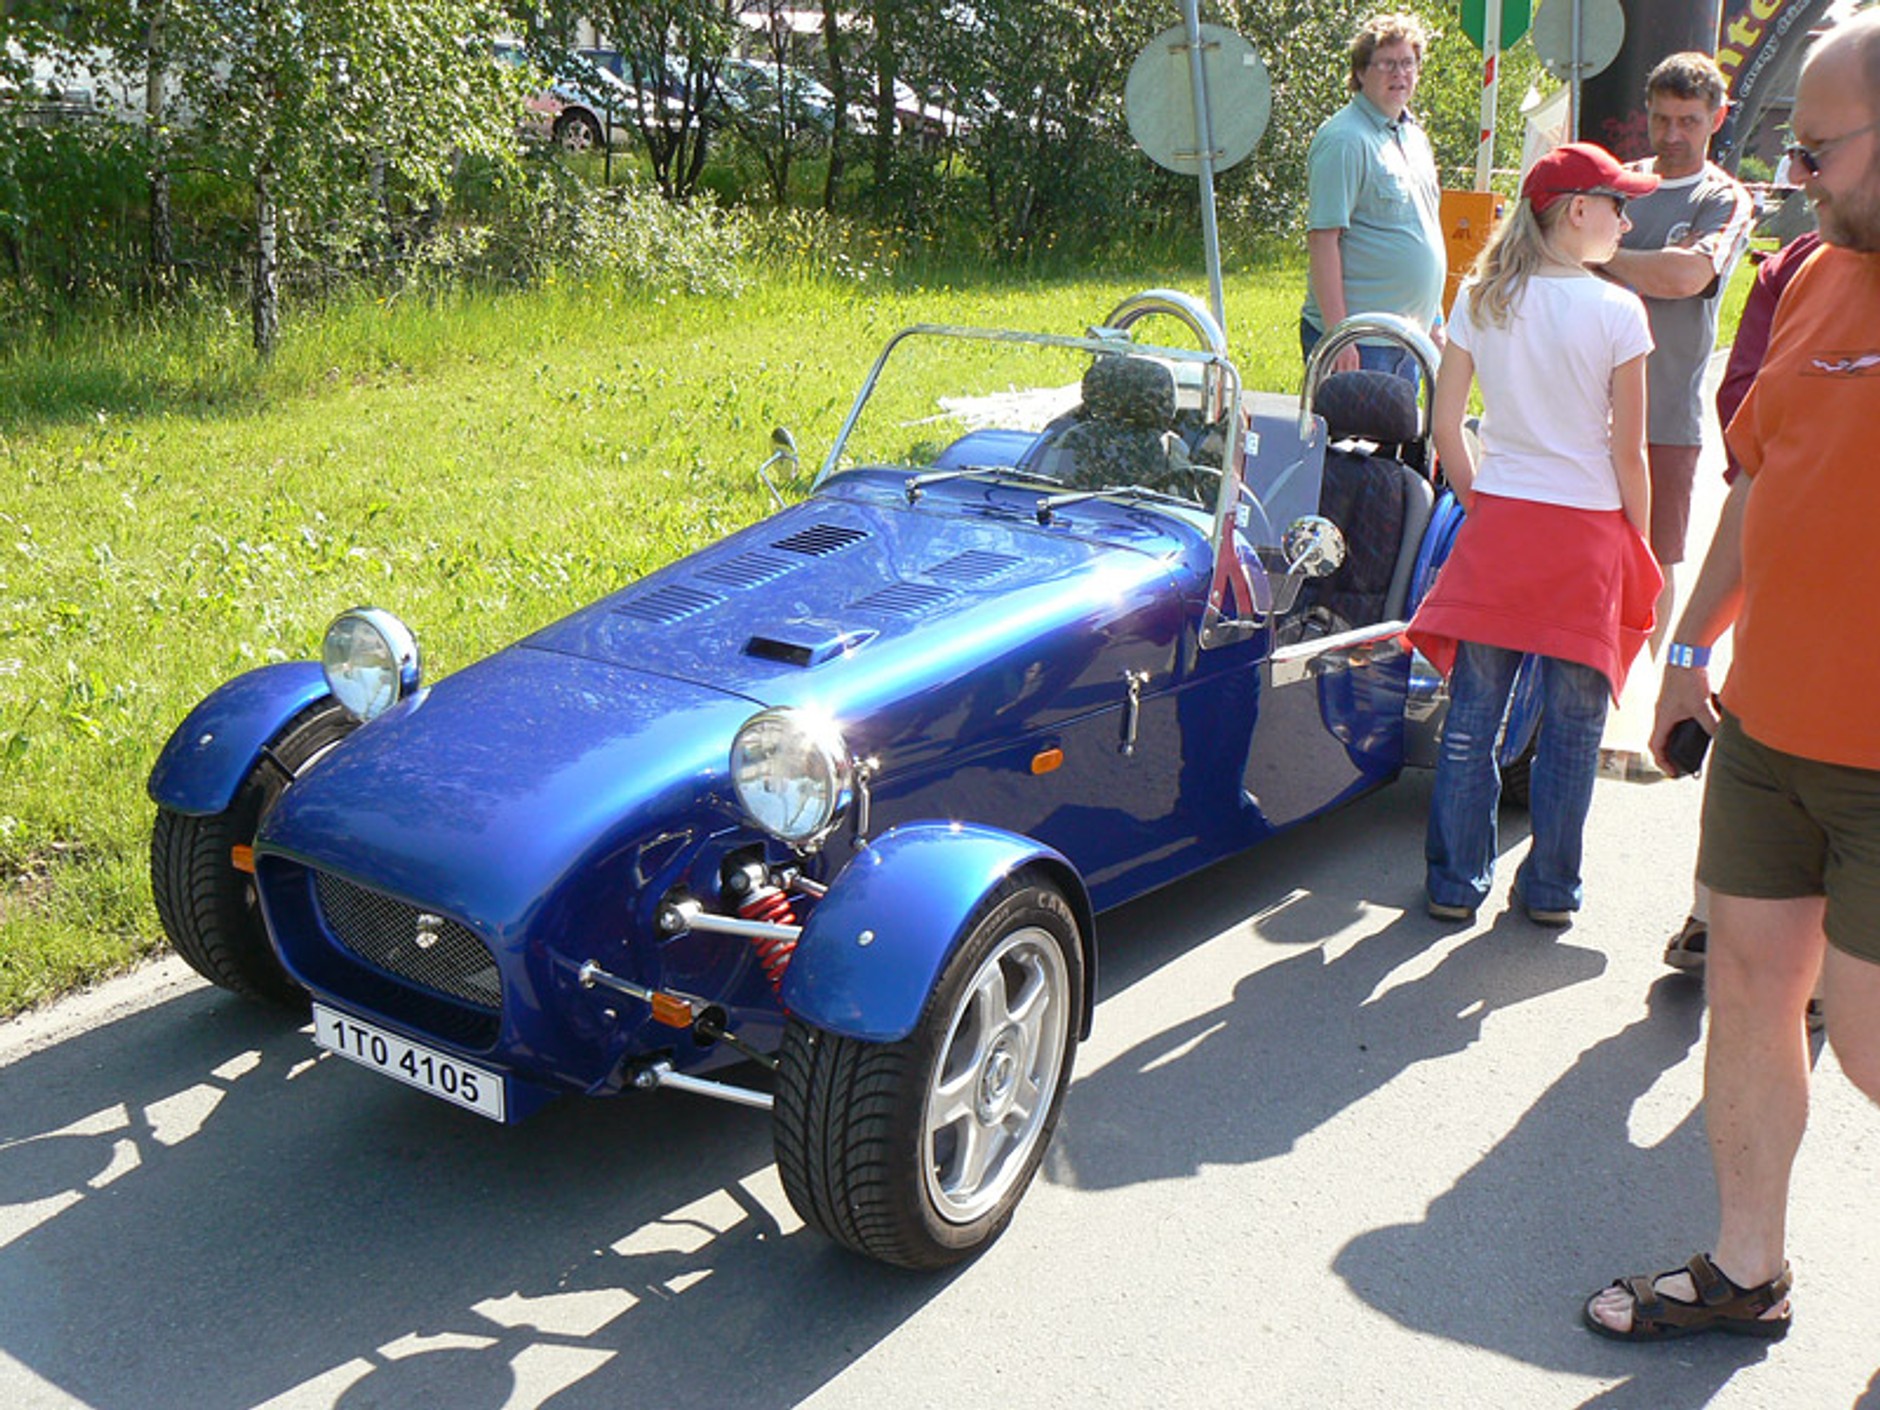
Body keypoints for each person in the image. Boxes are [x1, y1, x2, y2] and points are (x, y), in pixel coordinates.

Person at [1584, 12, 1880, 1342]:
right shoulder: (1815, 275)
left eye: (1819, 149)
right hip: (1770, 733)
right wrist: (1691, 651)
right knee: (1748, 992)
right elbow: (1761, 486)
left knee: (1870, 1042)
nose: (1798, 176)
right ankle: (1746, 1265)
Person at [1408, 143, 1662, 927]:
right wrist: (1640, 546)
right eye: (1617, 204)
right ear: (1575, 211)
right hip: (1586, 537)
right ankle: (1551, 891)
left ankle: (1454, 884)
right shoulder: (1620, 311)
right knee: (1573, 734)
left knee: (1474, 721)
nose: (1625, 219)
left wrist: (1483, 504)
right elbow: (1630, 452)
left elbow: (1445, 425)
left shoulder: (1481, 297)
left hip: (1502, 531)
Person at [1660, 228, 1823, 978]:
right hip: (1786, 567)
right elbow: (1747, 414)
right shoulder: (1800, 268)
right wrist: (1688, 653)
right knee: (1757, 737)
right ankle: (1713, 919)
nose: (1804, 174)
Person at [1596, 53, 1754, 654]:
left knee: (1653, 564)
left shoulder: (1723, 199)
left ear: (1716, 119)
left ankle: (1637, 687)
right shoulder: (1619, 181)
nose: (1672, 135)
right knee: (1588, 555)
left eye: (1688, 121)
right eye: (1661, 119)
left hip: (1665, 418)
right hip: (1588, 406)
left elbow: (1687, 276)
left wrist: (1601, 253)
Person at [1300, 12, 1447, 380]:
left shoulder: (1414, 137)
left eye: (1408, 63)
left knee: (1406, 438)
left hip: (1410, 340)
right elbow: (1323, 241)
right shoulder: (1344, 141)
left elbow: (1425, 228)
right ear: (1362, 72)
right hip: (1362, 344)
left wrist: (1435, 318)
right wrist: (1340, 335)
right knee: (1349, 439)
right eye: (1387, 64)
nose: (1400, 74)